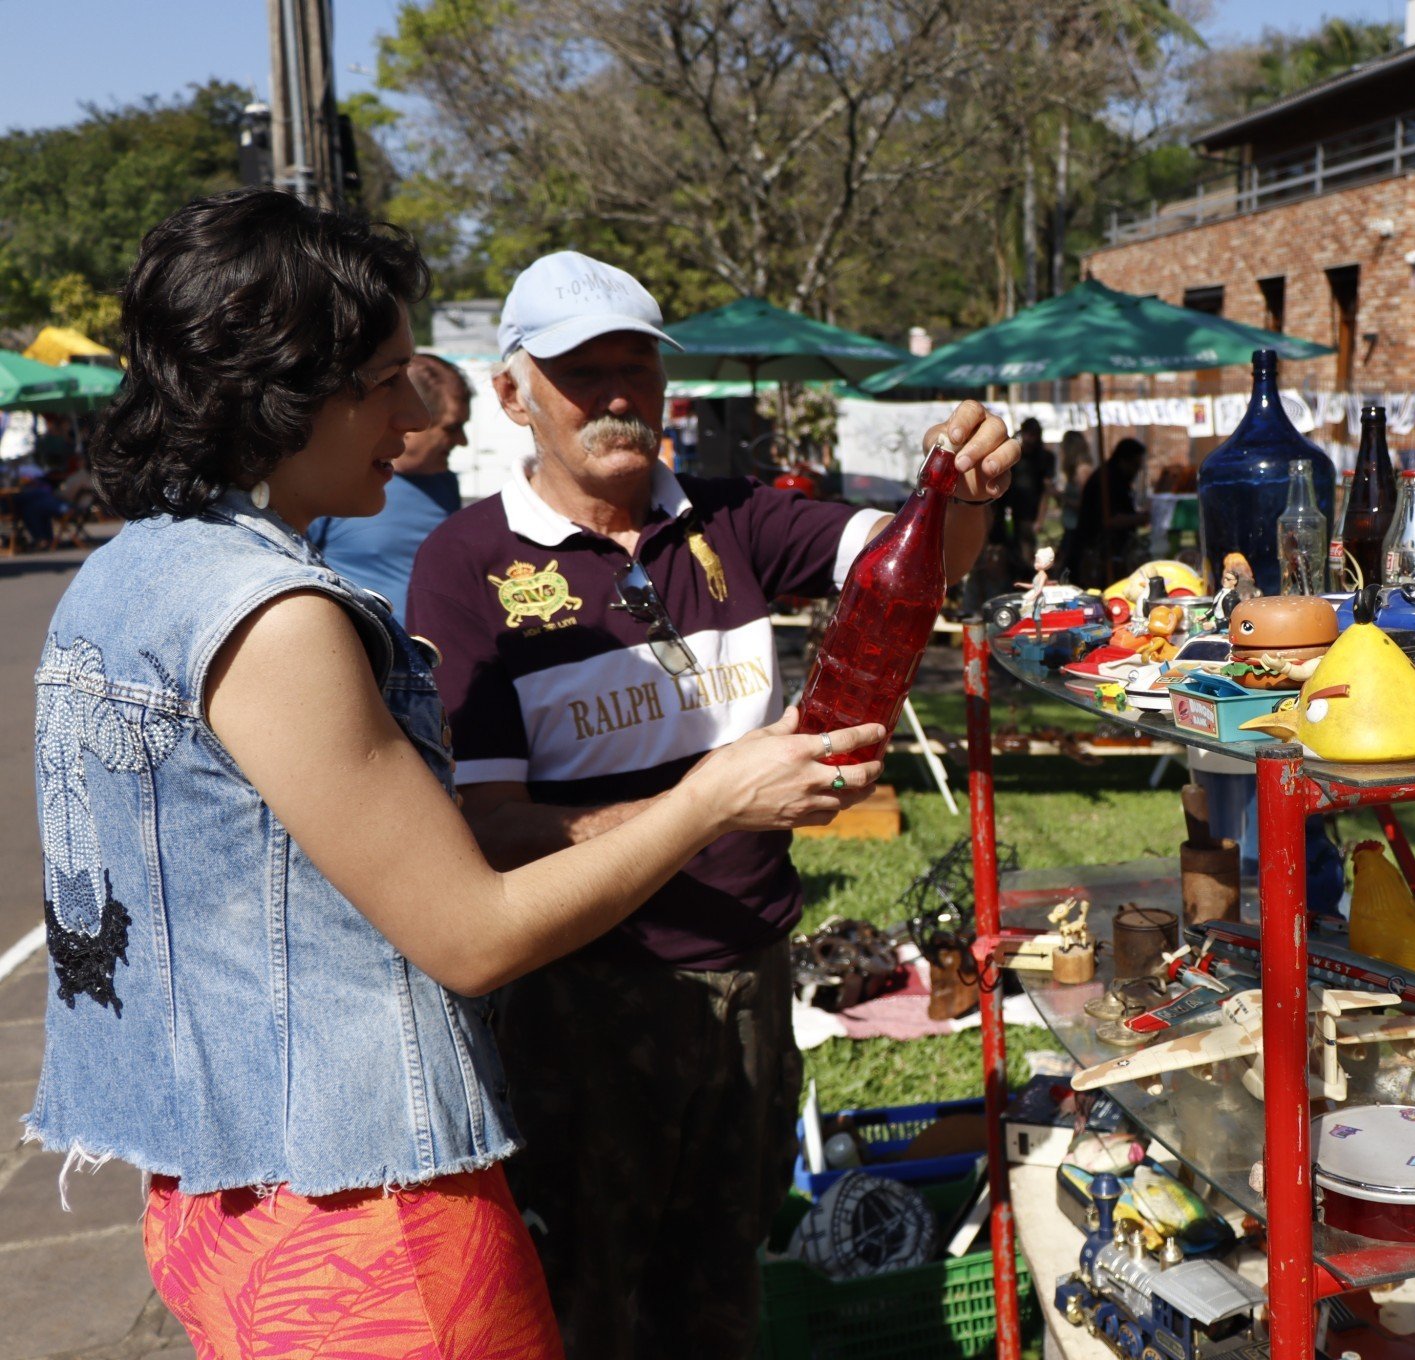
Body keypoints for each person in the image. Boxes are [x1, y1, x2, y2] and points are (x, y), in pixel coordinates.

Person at [29, 188, 893, 1358]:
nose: (410, 405)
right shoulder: (273, 616)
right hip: (363, 1211)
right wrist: (712, 796)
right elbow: (472, 932)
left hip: (220, 1179)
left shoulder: (125, 577)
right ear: (289, 387)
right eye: (384, 375)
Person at [404, 249, 1017, 1359]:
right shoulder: (467, 562)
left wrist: (962, 493)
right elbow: (490, 831)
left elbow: (912, 566)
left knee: (722, 1287)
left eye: (636, 365)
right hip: (586, 997)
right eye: (582, 372)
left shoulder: (731, 519)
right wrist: (711, 800)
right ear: (511, 393)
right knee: (591, 1298)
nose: (619, 395)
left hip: (753, 968)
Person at [307, 352, 471, 625]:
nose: (462, 440)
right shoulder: (336, 483)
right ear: (410, 423)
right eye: (452, 427)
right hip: (370, 659)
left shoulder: (444, 483)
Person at [1062, 436, 1146, 587]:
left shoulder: (1117, 478)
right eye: (1135, 465)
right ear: (1123, 460)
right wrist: (1141, 518)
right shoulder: (1107, 480)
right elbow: (1109, 520)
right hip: (1096, 554)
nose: (1136, 471)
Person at [1003, 416, 1054, 566]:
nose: (1030, 439)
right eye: (1028, 434)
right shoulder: (1015, 456)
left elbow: (1046, 491)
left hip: (1031, 513)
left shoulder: (1044, 458)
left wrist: (1039, 519)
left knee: (1029, 558)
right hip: (1010, 510)